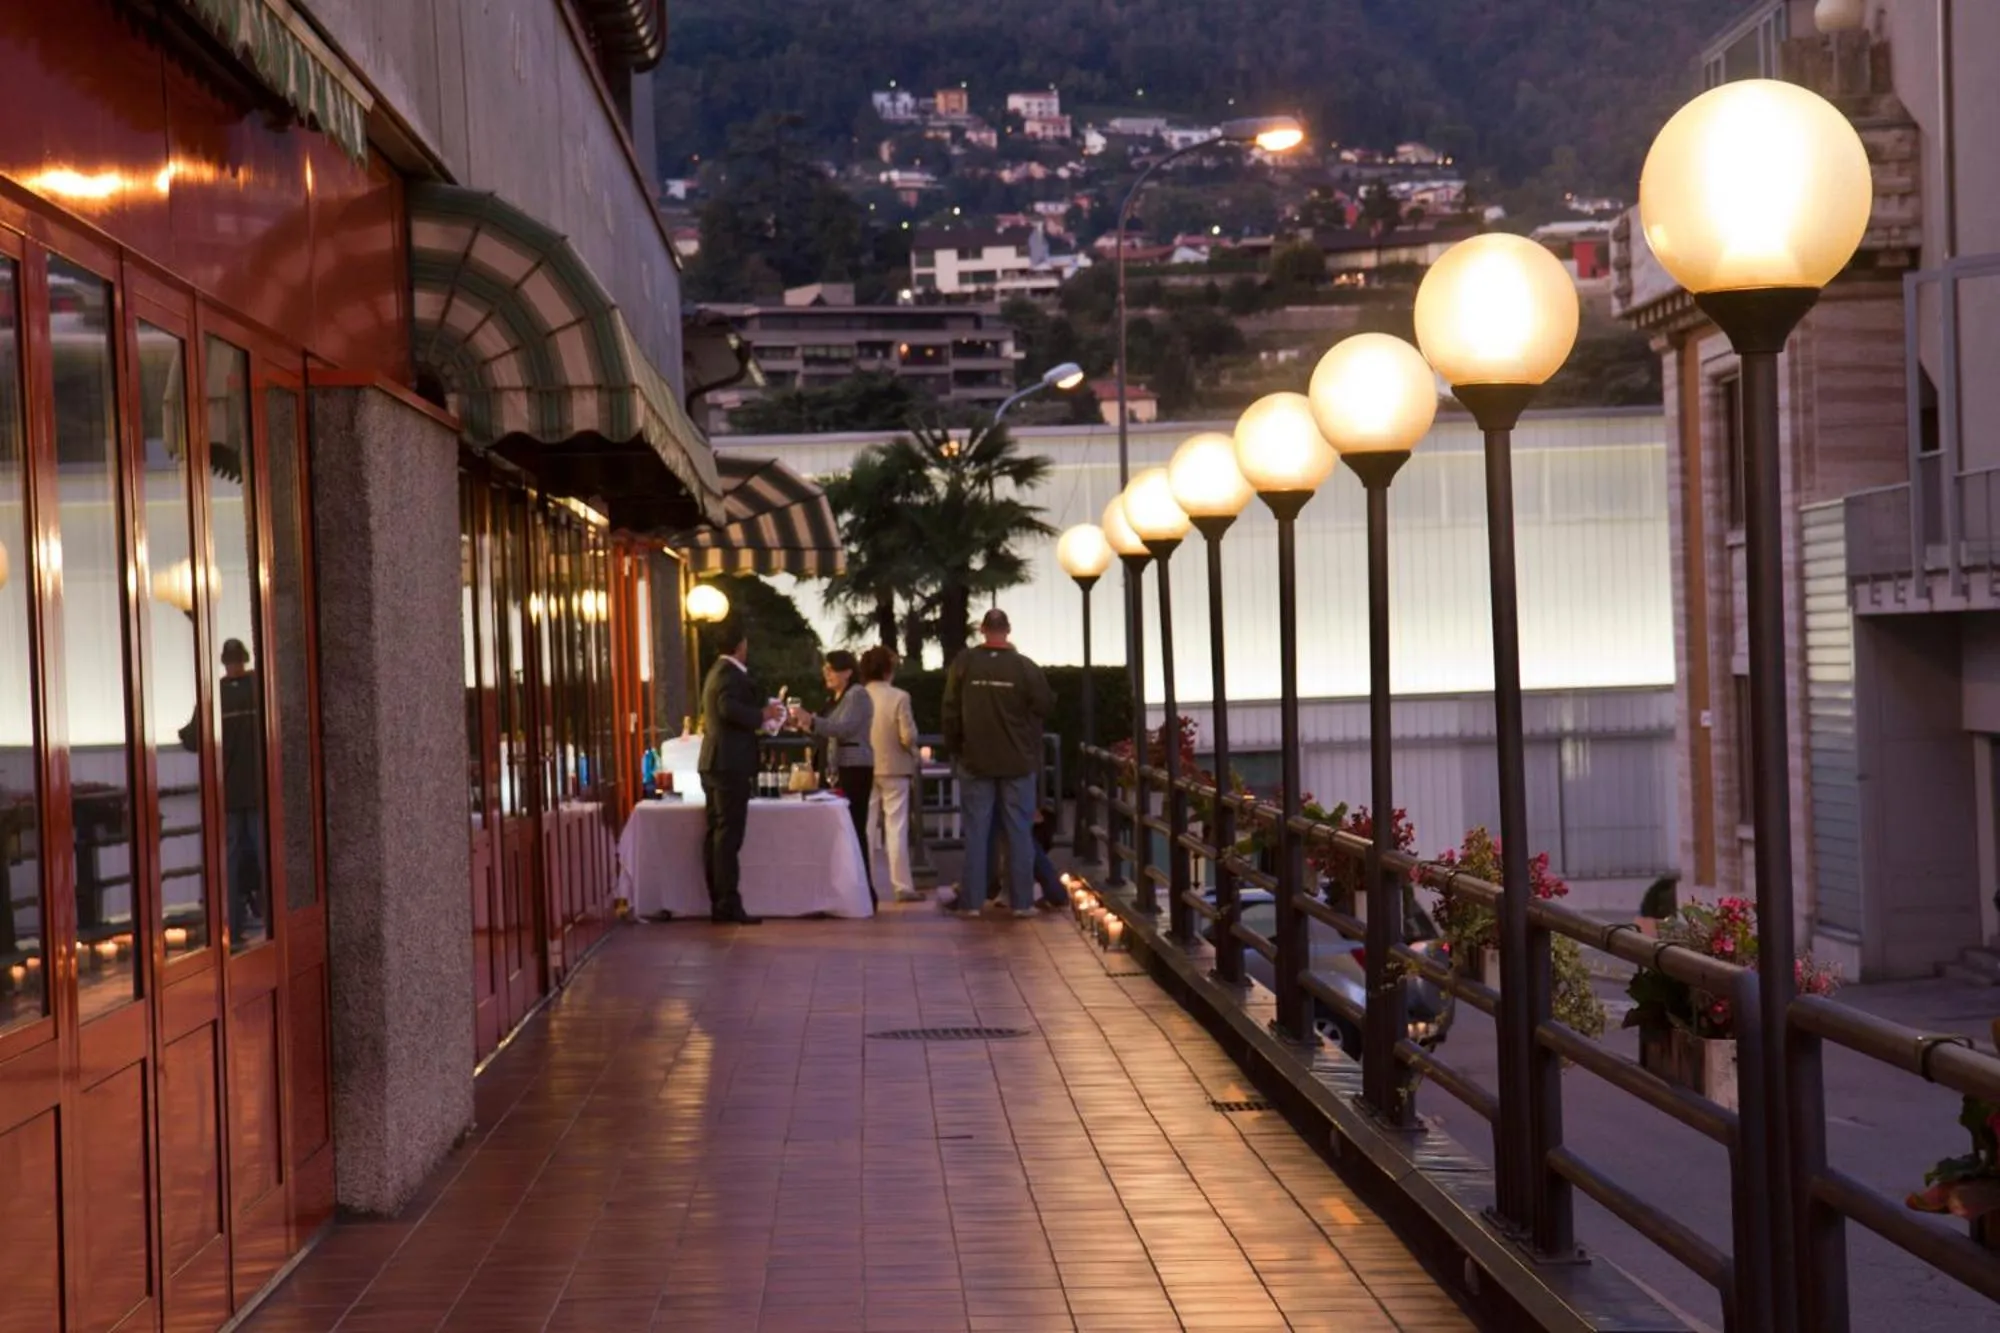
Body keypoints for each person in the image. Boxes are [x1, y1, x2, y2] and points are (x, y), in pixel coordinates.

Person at [941, 608, 1054, 918]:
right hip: (1017, 762)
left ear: (982, 629)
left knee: (976, 833)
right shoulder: (1024, 667)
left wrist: (957, 749)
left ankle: (972, 903)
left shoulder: (964, 663)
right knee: (1018, 833)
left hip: (975, 761)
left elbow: (950, 710)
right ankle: (1022, 903)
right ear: (1008, 629)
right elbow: (1044, 704)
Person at [698, 618, 785, 925]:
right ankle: (727, 903)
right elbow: (727, 708)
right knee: (727, 836)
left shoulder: (715, 672)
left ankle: (720, 901)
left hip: (715, 762)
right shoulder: (729, 673)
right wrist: (762, 715)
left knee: (718, 834)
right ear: (740, 646)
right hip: (729, 764)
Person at [791, 650, 876, 902]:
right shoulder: (835, 700)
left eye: (831, 669)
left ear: (847, 671)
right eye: (825, 669)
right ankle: (841, 891)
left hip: (854, 769)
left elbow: (844, 728)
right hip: (836, 771)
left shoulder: (857, 695)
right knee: (836, 830)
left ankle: (863, 892)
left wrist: (812, 720)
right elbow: (825, 734)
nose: (826, 673)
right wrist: (804, 725)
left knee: (853, 828)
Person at [861, 645, 921, 903]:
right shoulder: (899, 697)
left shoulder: (858, 696)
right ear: (889, 669)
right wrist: (914, 751)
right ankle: (902, 886)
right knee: (896, 828)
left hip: (864, 767)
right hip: (895, 768)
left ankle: (865, 882)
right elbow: (908, 736)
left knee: (866, 828)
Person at [217, 638, 266, 946]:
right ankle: (272, 924)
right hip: (258, 790)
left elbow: (195, 737)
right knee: (265, 856)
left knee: (231, 862)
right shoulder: (259, 690)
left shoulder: (217, 694)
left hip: (231, 794)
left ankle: (232, 929)